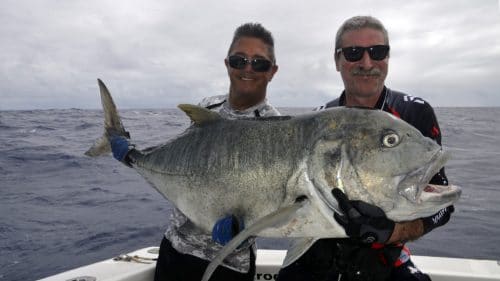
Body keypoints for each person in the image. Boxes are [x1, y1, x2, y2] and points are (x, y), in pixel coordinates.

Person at [276, 16, 454, 281]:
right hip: (316, 254)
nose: (367, 63)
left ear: (388, 57)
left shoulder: (414, 113)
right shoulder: (317, 120)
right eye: (353, 53)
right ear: (337, 61)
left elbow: (442, 209)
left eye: (377, 52)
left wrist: (390, 232)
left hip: (385, 262)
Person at [109, 22, 279, 281]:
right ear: (227, 64)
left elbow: (277, 200)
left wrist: (244, 231)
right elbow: (180, 161)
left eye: (259, 63)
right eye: (239, 60)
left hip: (228, 264)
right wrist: (132, 156)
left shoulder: (277, 128)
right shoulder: (208, 106)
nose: (248, 68)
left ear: (272, 71)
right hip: (175, 249)